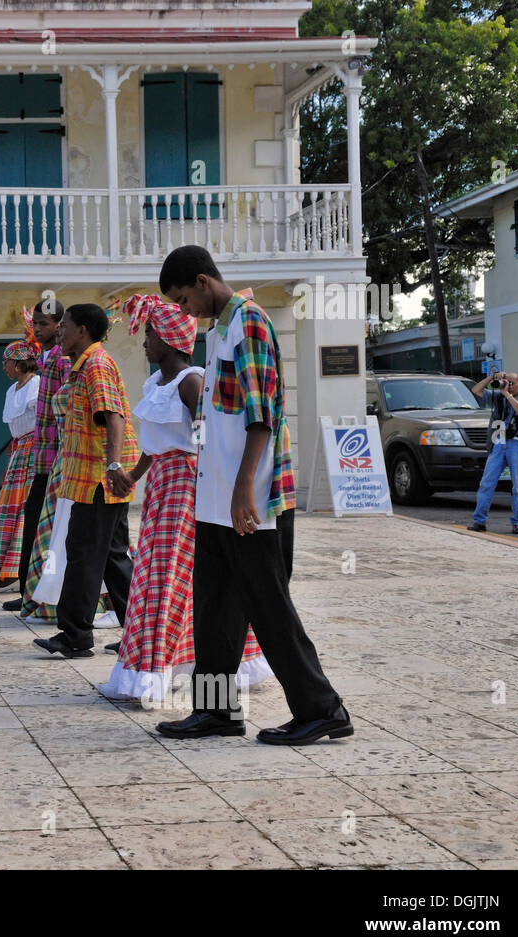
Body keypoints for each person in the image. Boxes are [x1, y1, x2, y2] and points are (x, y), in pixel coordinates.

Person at [154, 245, 351, 745]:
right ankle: (217, 712)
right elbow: (219, 420)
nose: (183, 312)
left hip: (251, 499)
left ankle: (323, 709)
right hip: (217, 497)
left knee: (269, 607)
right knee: (216, 608)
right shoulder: (219, 331)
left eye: (182, 300)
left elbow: (261, 414)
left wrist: (244, 488)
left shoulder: (250, 322)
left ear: (202, 281)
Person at [98, 294, 272, 699]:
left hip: (187, 486)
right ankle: (169, 664)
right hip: (161, 484)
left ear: (172, 340)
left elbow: (204, 437)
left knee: (168, 574)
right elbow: (155, 444)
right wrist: (132, 476)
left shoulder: (191, 381)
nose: (144, 342)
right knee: (157, 573)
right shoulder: (155, 384)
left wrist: (222, 484)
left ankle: (156, 673)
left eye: (150, 334)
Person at [32, 303, 137, 659]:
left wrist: (112, 466)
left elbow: (114, 418)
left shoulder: (95, 364)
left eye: (65, 326)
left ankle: (75, 635)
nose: (59, 331)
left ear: (84, 331)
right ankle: (138, 633)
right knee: (112, 558)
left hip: (98, 478)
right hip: (91, 476)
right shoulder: (82, 366)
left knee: (83, 556)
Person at [5, 301, 66, 613]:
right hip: (41, 456)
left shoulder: (62, 360)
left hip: (57, 456)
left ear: (60, 325)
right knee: (32, 523)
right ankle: (29, 590)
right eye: (36, 324)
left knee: (46, 528)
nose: (38, 330)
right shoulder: (44, 360)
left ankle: (41, 594)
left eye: (44, 324)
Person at [0, 340, 39, 591]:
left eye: (6, 362)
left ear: (17, 364)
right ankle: (9, 569)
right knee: (10, 508)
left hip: (35, 451)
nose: (3, 366)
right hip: (19, 452)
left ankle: (19, 570)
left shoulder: (37, 385)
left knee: (26, 509)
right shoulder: (12, 389)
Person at [467, 369, 518, 535]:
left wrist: (507, 394)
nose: (509, 385)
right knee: (487, 483)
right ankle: (479, 521)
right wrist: (493, 377)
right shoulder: (498, 397)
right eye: (507, 382)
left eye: (513, 383)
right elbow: (476, 391)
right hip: (499, 441)